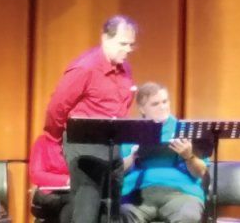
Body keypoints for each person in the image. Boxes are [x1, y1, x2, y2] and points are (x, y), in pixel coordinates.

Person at [44, 15, 138, 223]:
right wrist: (59, 140)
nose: (128, 49)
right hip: (84, 145)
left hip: (112, 145)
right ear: (105, 38)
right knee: (87, 208)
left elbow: (123, 104)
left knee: (111, 210)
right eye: (123, 44)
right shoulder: (85, 68)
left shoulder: (125, 69)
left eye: (131, 44)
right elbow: (57, 107)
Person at [120, 83, 207, 223]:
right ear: (142, 109)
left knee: (188, 215)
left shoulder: (186, 129)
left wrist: (188, 156)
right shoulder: (130, 131)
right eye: (155, 104)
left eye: (165, 101)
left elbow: (201, 172)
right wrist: (133, 155)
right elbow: (117, 171)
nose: (162, 107)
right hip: (138, 194)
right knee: (125, 212)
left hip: (180, 193)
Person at [29, 133, 71, 223]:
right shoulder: (43, 141)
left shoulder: (82, 144)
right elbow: (36, 174)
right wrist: (67, 180)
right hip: (50, 194)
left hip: (74, 194)